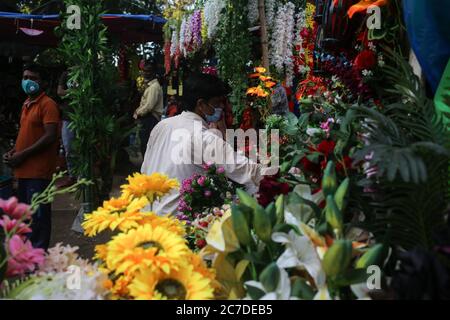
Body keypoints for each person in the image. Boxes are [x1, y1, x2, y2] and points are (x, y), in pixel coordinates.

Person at [141, 73, 263, 215]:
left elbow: (145, 169)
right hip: (177, 223)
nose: (221, 108)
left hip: (148, 216)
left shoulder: (162, 126)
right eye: (217, 103)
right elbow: (245, 169)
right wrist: (279, 176)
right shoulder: (203, 136)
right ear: (201, 105)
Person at [3, 63, 60, 250]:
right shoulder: (26, 104)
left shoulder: (48, 104)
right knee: (27, 216)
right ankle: (29, 256)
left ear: (42, 82)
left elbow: (50, 135)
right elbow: (27, 133)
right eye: (25, 77)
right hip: (23, 171)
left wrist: (23, 154)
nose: (28, 81)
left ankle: (39, 258)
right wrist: (14, 151)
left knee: (40, 216)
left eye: (33, 78)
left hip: (39, 171)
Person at [133, 62, 164, 156]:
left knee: (147, 145)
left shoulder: (154, 87)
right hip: (148, 118)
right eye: (144, 71)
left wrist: (137, 113)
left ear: (154, 72)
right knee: (145, 144)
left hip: (151, 119)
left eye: (148, 71)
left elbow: (149, 106)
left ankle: (147, 168)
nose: (146, 73)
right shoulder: (150, 86)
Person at [56, 70, 76, 187]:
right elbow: (59, 91)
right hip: (67, 116)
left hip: (82, 116)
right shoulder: (66, 74)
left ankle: (84, 176)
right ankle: (72, 175)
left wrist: (67, 93)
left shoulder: (86, 71)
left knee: (82, 147)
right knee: (68, 147)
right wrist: (76, 93)